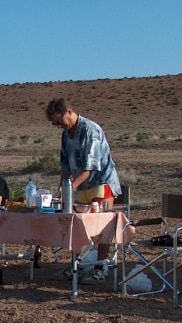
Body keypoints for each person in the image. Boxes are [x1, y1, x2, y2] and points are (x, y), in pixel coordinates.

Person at [45, 97, 122, 281]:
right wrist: (62, 188)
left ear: (69, 112)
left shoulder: (90, 130)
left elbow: (89, 167)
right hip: (82, 186)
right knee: (79, 225)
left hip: (101, 184)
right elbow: (65, 165)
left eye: (59, 121)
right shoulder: (66, 135)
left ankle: (100, 268)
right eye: (54, 123)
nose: (58, 125)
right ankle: (78, 264)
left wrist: (70, 187)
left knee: (101, 226)